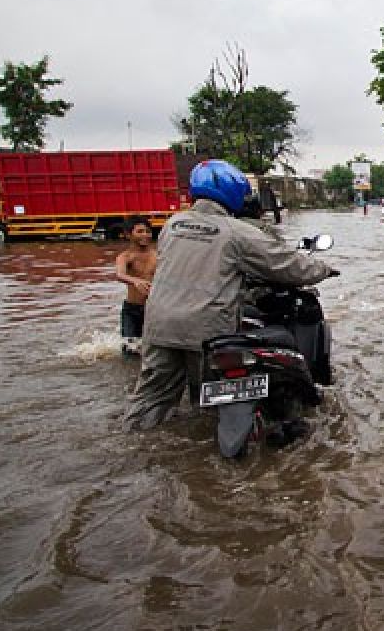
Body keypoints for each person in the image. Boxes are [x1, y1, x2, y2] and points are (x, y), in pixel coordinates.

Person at [123, 160, 337, 430]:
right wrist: (324, 269)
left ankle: (135, 444)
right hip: (206, 330)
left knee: (151, 400)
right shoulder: (236, 232)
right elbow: (286, 264)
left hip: (157, 324)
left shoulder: (172, 225)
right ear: (233, 193)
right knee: (209, 403)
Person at [114, 216, 157, 356]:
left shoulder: (158, 256)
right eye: (140, 231)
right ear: (128, 235)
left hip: (153, 310)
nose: (145, 235)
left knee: (153, 350)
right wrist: (135, 281)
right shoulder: (125, 257)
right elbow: (120, 274)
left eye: (148, 231)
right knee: (129, 350)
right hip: (131, 311)